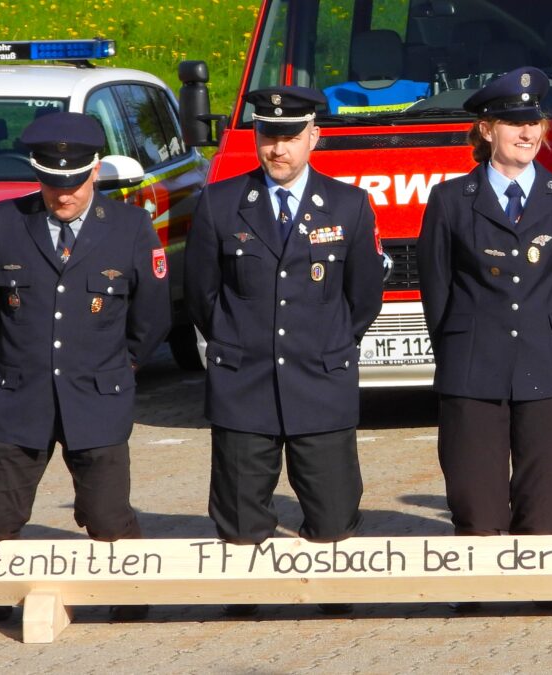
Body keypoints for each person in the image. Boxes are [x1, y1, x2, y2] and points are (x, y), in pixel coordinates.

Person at [0, 111, 171, 622]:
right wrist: (18, 356)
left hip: (97, 395)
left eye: (74, 182)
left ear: (95, 170)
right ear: (37, 174)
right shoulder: (6, 221)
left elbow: (152, 316)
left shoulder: (129, 226)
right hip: (21, 393)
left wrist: (121, 365)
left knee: (106, 516)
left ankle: (129, 597)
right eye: (52, 183)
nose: (63, 195)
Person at [184, 86, 384, 616]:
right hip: (243, 382)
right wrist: (235, 341)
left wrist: (326, 344)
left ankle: (332, 594)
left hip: (320, 379)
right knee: (239, 514)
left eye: (291, 137)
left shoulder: (348, 204)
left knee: (334, 511)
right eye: (269, 136)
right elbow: (202, 294)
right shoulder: (220, 203)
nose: (278, 149)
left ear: (314, 137)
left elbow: (364, 297)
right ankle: (245, 596)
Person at [417, 67, 552, 608]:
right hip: (474, 364)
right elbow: (437, 289)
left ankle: (542, 587)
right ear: (486, 129)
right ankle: (480, 589)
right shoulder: (451, 200)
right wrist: (463, 348)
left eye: (534, 122)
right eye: (514, 122)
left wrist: (543, 332)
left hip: (547, 360)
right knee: (476, 498)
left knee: (549, 497)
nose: (527, 132)